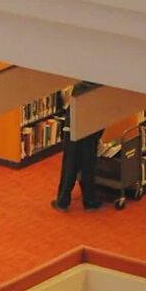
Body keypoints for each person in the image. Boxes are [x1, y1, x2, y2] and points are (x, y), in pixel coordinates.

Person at [51, 83, 103, 212]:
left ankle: (62, 200)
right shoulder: (102, 86)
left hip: (75, 125)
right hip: (92, 126)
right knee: (88, 163)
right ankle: (90, 200)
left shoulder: (80, 86)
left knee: (70, 163)